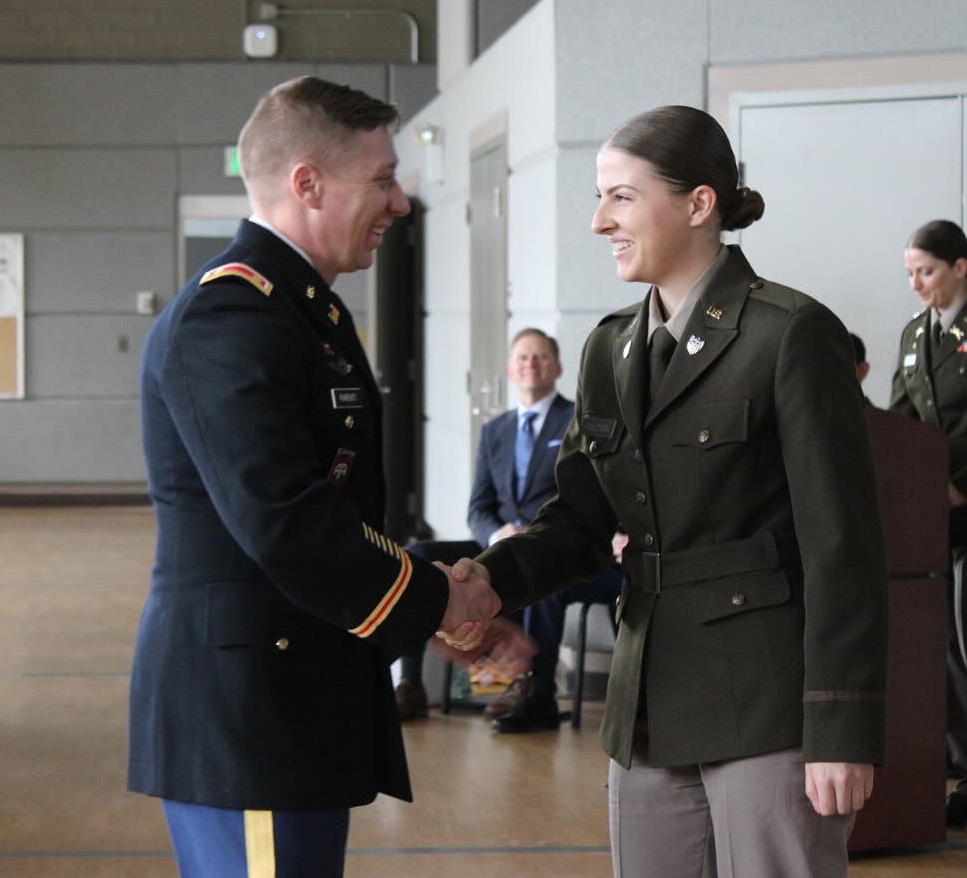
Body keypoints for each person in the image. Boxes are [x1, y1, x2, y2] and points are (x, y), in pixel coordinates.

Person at [448, 106, 888, 877]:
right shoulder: (609, 347)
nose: (597, 221)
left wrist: (841, 728)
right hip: (647, 701)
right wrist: (486, 584)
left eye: (620, 196)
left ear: (697, 203)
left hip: (767, 705)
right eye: (599, 197)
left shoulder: (787, 332)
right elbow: (580, 522)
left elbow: (841, 544)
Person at [127, 76, 527, 878]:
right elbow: (287, 519)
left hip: (292, 696)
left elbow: (344, 513)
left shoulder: (303, 311)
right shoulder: (231, 317)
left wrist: (436, 607)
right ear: (306, 183)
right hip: (251, 714)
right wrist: (439, 605)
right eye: (381, 179)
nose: (401, 202)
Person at [395, 329, 624, 732]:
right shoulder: (494, 430)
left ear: (558, 367)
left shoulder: (578, 420)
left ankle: (535, 694)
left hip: (558, 544)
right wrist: (497, 534)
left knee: (548, 577)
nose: (530, 365)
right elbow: (478, 507)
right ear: (510, 370)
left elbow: (599, 492)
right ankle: (411, 683)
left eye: (539, 357)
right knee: (419, 554)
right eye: (522, 358)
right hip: (501, 540)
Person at [888, 218, 967, 827]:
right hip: (929, 520)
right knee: (942, 645)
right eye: (911, 273)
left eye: (928, 271)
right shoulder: (916, 334)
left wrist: (959, 484)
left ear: (960, 267)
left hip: (965, 505)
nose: (916, 284)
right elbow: (900, 419)